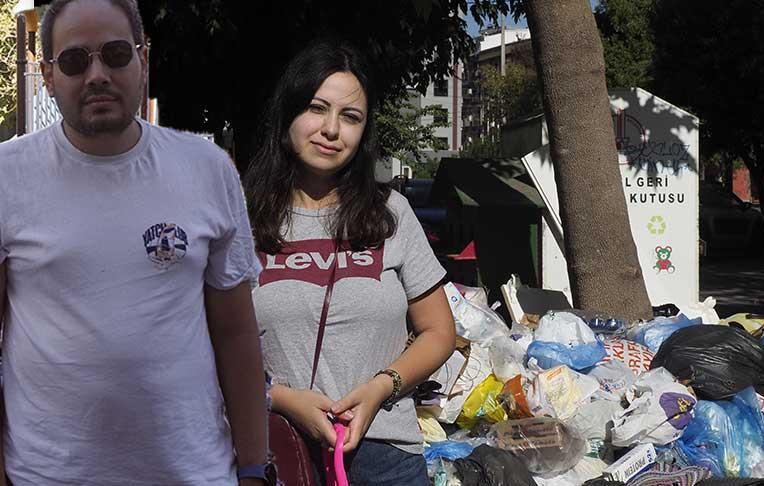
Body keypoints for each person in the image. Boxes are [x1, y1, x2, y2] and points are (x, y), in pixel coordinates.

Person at [0, 0, 268, 484]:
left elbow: (236, 334)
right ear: (47, 73)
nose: (97, 74)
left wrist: (253, 466)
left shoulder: (206, 169)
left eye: (117, 54)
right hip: (47, 475)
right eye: (76, 60)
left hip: (193, 472)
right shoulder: (7, 176)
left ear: (144, 59)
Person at [244, 39, 456, 486]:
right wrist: (281, 399)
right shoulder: (239, 220)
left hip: (386, 456)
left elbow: (440, 332)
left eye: (350, 117)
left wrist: (382, 387)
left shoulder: (391, 212)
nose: (331, 130)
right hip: (277, 451)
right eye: (317, 109)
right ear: (288, 115)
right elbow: (206, 348)